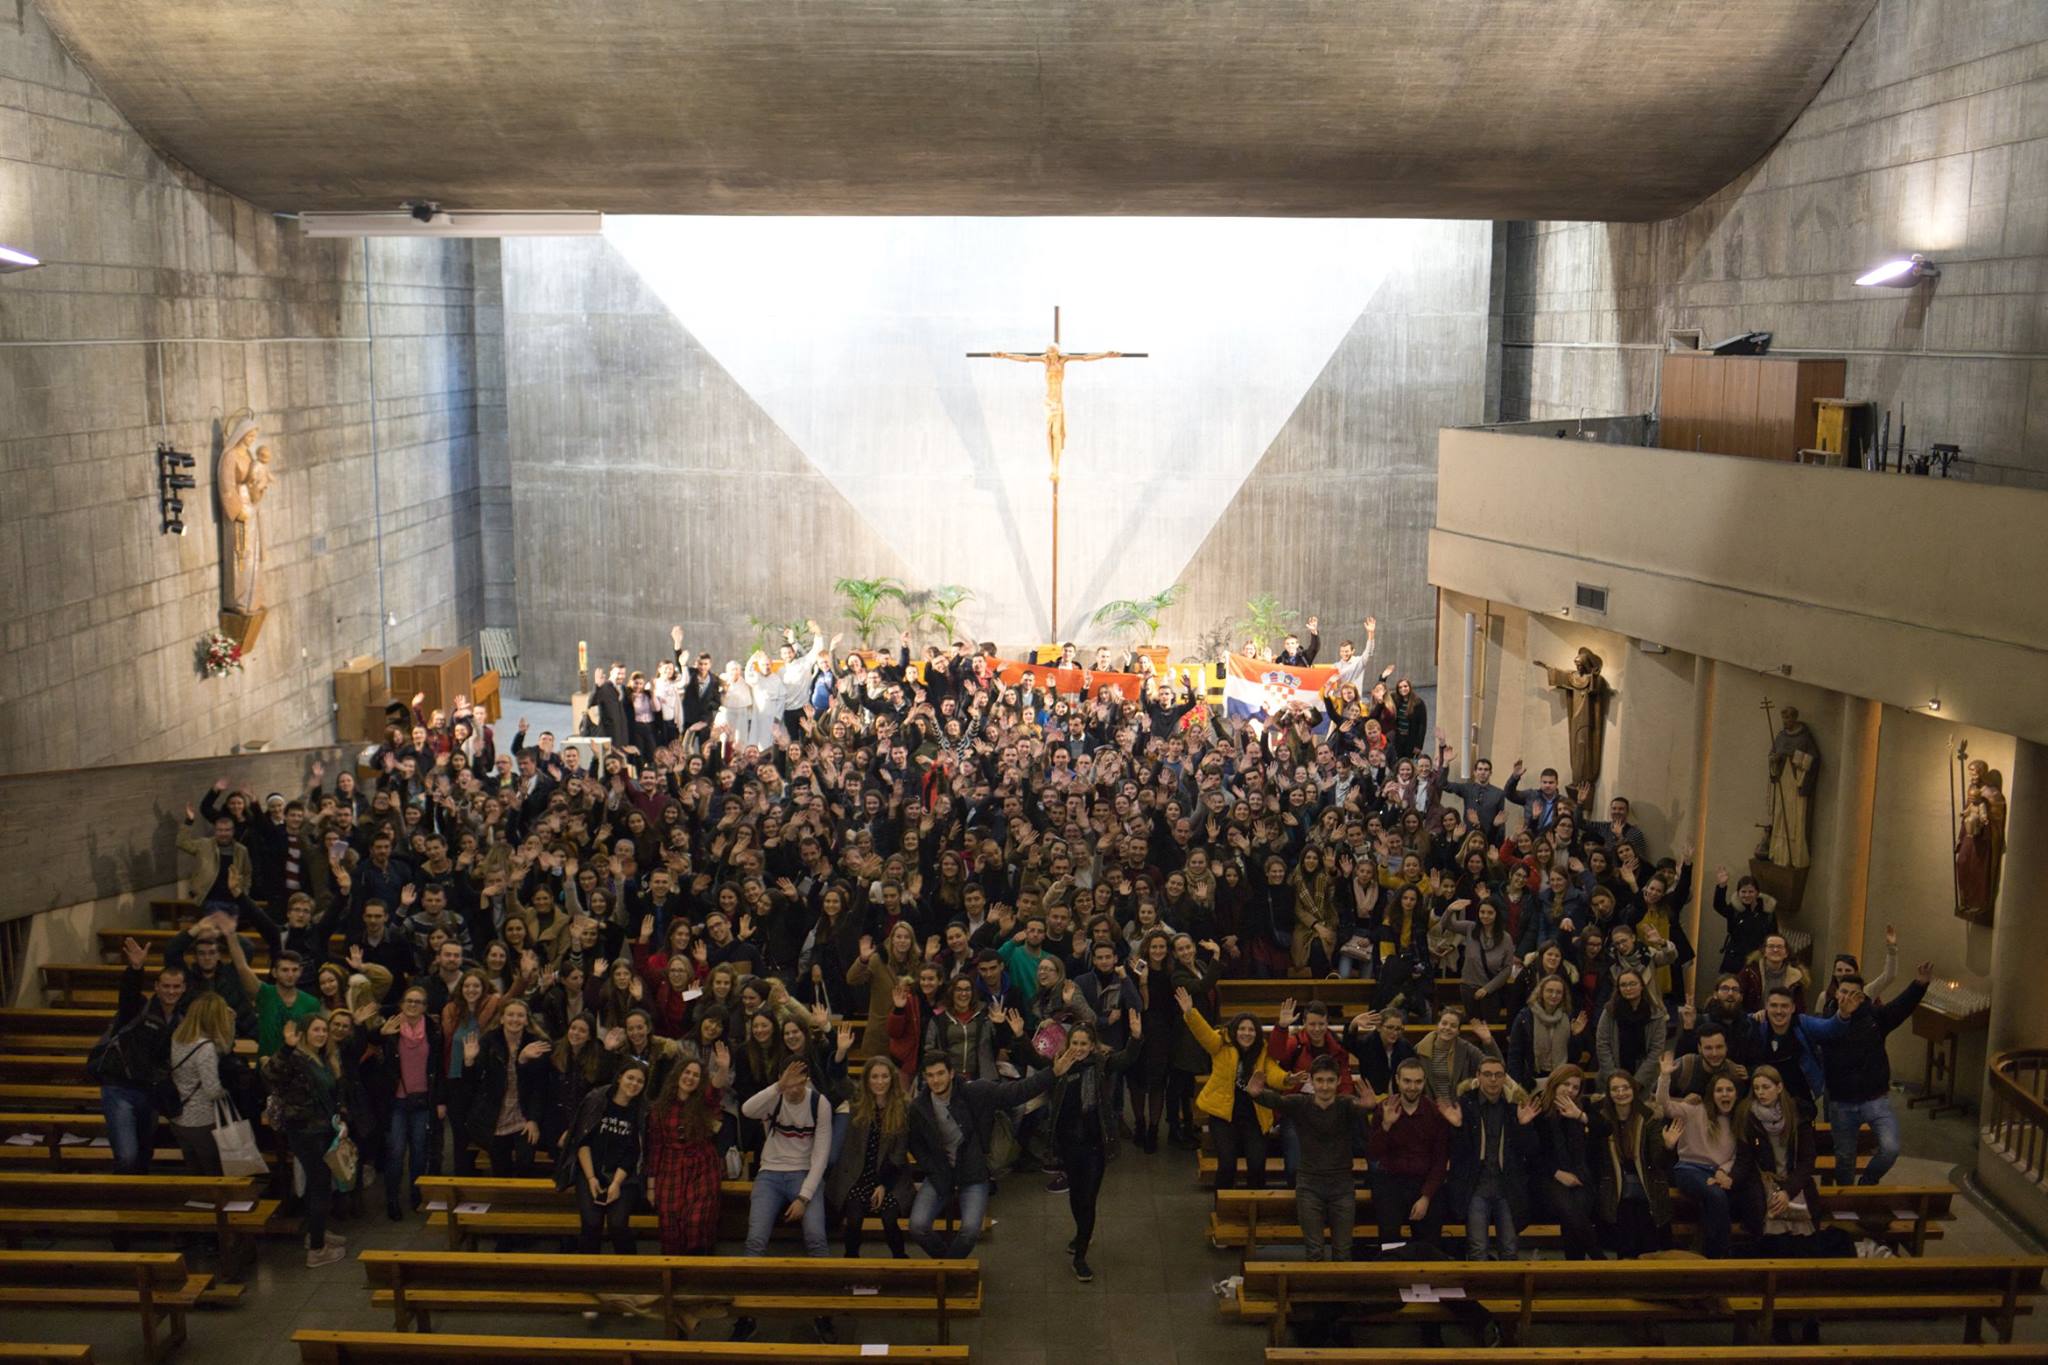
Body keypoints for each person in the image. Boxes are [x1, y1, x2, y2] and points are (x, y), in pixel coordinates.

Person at [908, 1047, 1072, 1262]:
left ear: (951, 1073)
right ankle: (948, 1266)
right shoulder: (919, 1107)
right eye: (930, 1076)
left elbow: (1016, 1092)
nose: (936, 1080)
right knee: (917, 1226)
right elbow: (916, 1144)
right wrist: (932, 1169)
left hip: (974, 1173)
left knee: (970, 1231)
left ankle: (949, 1269)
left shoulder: (975, 1092)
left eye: (940, 1074)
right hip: (940, 1174)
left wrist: (1052, 1073)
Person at [1798, 961, 1932, 1186]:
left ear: (1862, 997)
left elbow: (1901, 1006)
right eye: (1843, 992)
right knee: (1844, 1158)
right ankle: (1846, 1201)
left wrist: (1919, 985)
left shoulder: (1875, 1018)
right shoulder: (1825, 1023)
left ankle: (1867, 1184)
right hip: (1842, 1102)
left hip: (1875, 1099)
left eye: (1854, 994)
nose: (1848, 997)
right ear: (1836, 994)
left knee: (1890, 1149)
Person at [734, 1056, 836, 1342]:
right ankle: (746, 1315)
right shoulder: (774, 1096)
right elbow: (746, 1109)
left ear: (807, 1079)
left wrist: (804, 1197)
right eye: (789, 1080)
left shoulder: (820, 1103)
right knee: (755, 1240)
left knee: (816, 1237)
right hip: (770, 1173)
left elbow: (820, 1156)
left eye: (799, 1079)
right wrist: (778, 1086)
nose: (794, 1087)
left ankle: (825, 1314)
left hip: (804, 1174)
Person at [1043, 1017, 1140, 1280]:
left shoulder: (1101, 1064)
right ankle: (1081, 1233)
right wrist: (1018, 1036)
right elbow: (1031, 1058)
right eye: (1074, 1043)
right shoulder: (1060, 1066)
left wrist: (1136, 1037)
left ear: (1092, 1045)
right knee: (1077, 1196)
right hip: (1069, 1142)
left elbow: (1126, 1059)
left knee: (1089, 1198)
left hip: (1095, 1141)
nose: (1079, 1048)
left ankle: (1081, 1256)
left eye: (1084, 1043)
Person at [1248, 1055, 1372, 1262]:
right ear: (1311, 1081)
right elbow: (1276, 1100)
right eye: (1320, 1080)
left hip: (1342, 1187)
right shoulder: (1300, 1103)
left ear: (1339, 1081)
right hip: (1309, 1186)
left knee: (1343, 1251)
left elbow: (1364, 1107)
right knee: (1314, 1251)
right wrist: (1256, 1095)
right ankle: (1315, 1294)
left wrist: (1370, 1106)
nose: (1325, 1086)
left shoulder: (1347, 1105)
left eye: (1330, 1080)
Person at [88, 937, 186, 1175]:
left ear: (183, 989)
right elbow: (128, 994)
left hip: (150, 1092)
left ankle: (136, 1203)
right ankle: (120, 1199)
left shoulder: (183, 1021)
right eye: (166, 986)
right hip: (119, 1089)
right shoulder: (138, 1008)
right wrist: (135, 969)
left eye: (176, 987)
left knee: (144, 1153)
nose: (171, 991)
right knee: (127, 1155)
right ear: (157, 987)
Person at [1178, 988, 1292, 1190]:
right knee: (1227, 1164)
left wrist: (1288, 1079)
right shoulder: (1220, 1043)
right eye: (1242, 1029)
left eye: (1251, 1030)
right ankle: (1222, 1207)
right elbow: (1203, 1034)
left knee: (1257, 1165)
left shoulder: (1262, 1050)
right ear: (1234, 1030)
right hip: (1224, 1117)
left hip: (1255, 1116)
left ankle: (1256, 1210)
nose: (1246, 1033)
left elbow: (1273, 1073)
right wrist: (1190, 1012)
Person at [264, 1015, 350, 1267]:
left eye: (324, 1030)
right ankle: (316, 1250)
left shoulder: (322, 1058)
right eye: (316, 1030)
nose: (322, 1034)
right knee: (319, 1184)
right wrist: (287, 1046)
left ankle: (317, 1232)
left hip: (324, 1129)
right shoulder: (295, 1058)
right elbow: (270, 1073)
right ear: (303, 1033)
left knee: (320, 1184)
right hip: (305, 1131)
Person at [1441, 1055, 1538, 1260]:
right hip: (1475, 1186)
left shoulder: (1515, 1106)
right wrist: (1457, 1128)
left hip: (1507, 1186)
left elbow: (1530, 1151)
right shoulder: (1464, 1105)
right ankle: (1481, 1292)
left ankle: (1508, 1292)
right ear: (1478, 1076)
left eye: (1498, 1075)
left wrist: (1524, 1126)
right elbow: (1457, 1154)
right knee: (1478, 1247)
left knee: (1510, 1247)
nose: (1493, 1079)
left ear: (1504, 1078)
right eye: (1487, 1074)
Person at [1656, 1052, 1748, 1257]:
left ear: (1736, 1093)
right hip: (1689, 1169)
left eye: (1729, 1090)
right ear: (1712, 1094)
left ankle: (1708, 1255)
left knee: (1713, 1202)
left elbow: (1737, 1156)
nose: (1724, 1095)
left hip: (1717, 1172)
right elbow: (1664, 1105)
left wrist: (1724, 1172)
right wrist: (1664, 1077)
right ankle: (1724, 1254)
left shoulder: (1739, 1120)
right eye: (1719, 1090)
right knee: (1716, 1195)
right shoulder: (1695, 1109)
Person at [827, 1056, 915, 1260]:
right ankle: (851, 1261)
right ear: (867, 1080)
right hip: (859, 1174)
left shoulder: (903, 1107)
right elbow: (840, 1080)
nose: (880, 1081)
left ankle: (900, 1259)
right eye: (874, 1077)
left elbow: (899, 1154)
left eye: (885, 1076)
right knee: (854, 1219)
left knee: (889, 1218)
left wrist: (883, 1185)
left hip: (892, 1176)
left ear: (892, 1079)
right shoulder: (859, 1101)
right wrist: (839, 1054)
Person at [646, 1046, 731, 1255]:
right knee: (670, 1219)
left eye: (696, 1075)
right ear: (678, 1075)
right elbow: (655, 1148)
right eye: (687, 1073)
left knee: (697, 1219)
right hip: (670, 1166)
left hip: (702, 1164)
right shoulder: (659, 1109)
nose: (690, 1078)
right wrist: (650, 1186)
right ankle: (672, 1274)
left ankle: (699, 1268)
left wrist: (722, 1069)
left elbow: (716, 1088)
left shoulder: (705, 1102)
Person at [561, 1060, 648, 1255]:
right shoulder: (596, 1099)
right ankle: (589, 1273)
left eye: (640, 1081)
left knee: (617, 1224)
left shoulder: (641, 1111)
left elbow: (633, 1152)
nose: (634, 1084)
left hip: (624, 1177)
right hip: (590, 1169)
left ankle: (631, 1271)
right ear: (620, 1077)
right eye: (630, 1078)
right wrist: (591, 1178)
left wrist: (616, 1183)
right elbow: (582, 1141)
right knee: (592, 1223)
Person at [1366, 1056, 1451, 1252]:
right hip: (1390, 1182)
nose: (1412, 1087)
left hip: (1424, 1182)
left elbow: (1440, 1161)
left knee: (1429, 1244)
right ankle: (1391, 1275)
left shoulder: (1435, 1113)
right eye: (1407, 1081)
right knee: (1389, 1241)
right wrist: (1386, 1125)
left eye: (1418, 1082)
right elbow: (1373, 1153)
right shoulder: (1384, 1108)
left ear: (1424, 1082)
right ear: (1397, 1080)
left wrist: (1426, 1197)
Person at [374, 984, 444, 1219]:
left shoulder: (434, 1030)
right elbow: (369, 1050)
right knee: (395, 1151)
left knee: (419, 1152)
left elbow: (439, 1067)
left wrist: (440, 1100)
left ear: (425, 1007)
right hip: (396, 1101)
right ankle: (392, 1199)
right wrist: (379, 1036)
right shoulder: (390, 1028)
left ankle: (416, 1195)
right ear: (402, 1004)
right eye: (409, 1001)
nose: (413, 1006)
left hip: (423, 1099)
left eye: (419, 1002)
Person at [1590, 1069, 1671, 1258]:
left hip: (1646, 1182)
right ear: (1609, 1093)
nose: (1621, 1093)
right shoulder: (1600, 1117)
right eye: (1615, 1089)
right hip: (1613, 1183)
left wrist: (1668, 1146)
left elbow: (1660, 1162)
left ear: (1633, 1090)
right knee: (1623, 1212)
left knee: (1642, 1213)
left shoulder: (1649, 1117)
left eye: (1625, 1088)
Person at [1529, 1064, 1600, 1259]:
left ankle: (1574, 1266)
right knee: (1569, 1209)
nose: (1570, 1090)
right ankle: (1598, 1259)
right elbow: (1532, 1153)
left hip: (1580, 1174)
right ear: (1555, 1083)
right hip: (1549, 1175)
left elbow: (1605, 1128)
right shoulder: (1538, 1106)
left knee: (1576, 1210)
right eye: (1566, 1084)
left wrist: (1579, 1116)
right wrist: (1558, 1174)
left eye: (1575, 1087)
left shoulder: (1583, 1107)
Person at [166, 993, 236, 1175]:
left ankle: (199, 1201)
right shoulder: (205, 1047)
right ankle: (215, 1202)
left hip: (178, 1115)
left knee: (194, 1169)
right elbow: (212, 1090)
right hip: (201, 1119)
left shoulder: (178, 1037)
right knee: (213, 1171)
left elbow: (224, 1048)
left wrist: (231, 1024)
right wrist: (227, 1092)